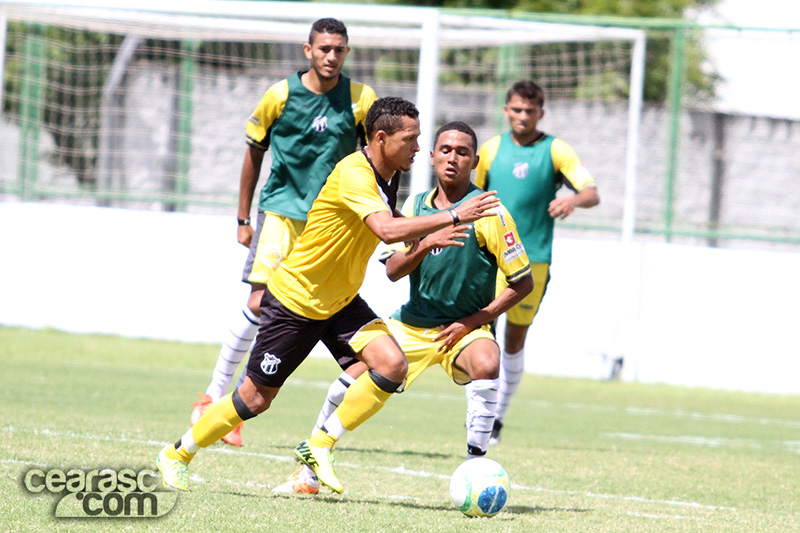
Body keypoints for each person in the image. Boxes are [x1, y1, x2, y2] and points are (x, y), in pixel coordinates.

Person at [156, 97, 502, 493]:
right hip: (296, 301)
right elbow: (387, 230)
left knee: (391, 365)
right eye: (411, 139)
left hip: (340, 302)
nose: (418, 148)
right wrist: (457, 214)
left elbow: (394, 228)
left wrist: (425, 238)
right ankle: (177, 453)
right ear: (381, 137)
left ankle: (319, 444)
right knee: (253, 400)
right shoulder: (356, 172)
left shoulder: (390, 173)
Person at [273, 121, 533, 495]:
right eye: (445, 150)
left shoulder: (490, 211)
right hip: (410, 325)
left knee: (488, 362)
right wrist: (425, 243)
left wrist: (473, 322)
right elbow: (394, 271)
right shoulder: (413, 207)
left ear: (474, 161)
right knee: (345, 384)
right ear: (431, 156)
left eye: (462, 153)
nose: (452, 159)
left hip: (463, 330)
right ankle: (308, 473)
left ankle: (478, 467)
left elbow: (523, 281)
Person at [190, 18, 377, 447]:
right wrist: (243, 218)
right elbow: (253, 154)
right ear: (307, 50)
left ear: (346, 53)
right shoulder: (279, 95)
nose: (332, 56)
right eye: (324, 48)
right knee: (258, 302)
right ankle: (214, 398)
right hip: (280, 215)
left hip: (329, 222)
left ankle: (240, 399)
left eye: (339, 49)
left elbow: (376, 158)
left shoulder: (360, 99)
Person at [472, 80, 600, 445]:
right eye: (516, 109)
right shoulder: (493, 149)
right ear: (505, 110)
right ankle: (480, 417)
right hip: (491, 256)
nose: (523, 116)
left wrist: (573, 201)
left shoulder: (556, 150)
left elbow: (591, 192)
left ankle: (498, 417)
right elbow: (471, 195)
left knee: (514, 338)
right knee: (483, 334)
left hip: (534, 261)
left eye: (530, 111)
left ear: (541, 113)